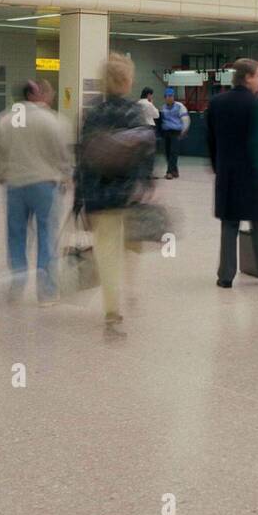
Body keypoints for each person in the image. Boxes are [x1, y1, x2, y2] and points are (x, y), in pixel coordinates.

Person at [75, 55, 154, 333]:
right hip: (128, 195)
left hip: (99, 196)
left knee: (106, 252)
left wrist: (79, 199)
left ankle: (112, 310)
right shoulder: (135, 112)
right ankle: (129, 287)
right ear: (128, 80)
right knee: (132, 244)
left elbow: (82, 157)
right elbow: (146, 152)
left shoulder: (93, 113)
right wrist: (147, 185)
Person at [0, 79, 73, 305]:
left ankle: (17, 285)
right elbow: (62, 151)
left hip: (15, 186)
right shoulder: (50, 120)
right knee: (47, 237)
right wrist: (66, 174)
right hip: (45, 186)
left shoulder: (5, 120)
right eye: (48, 91)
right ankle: (46, 293)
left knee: (16, 237)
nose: (50, 95)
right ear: (35, 93)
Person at [207, 59, 258, 289]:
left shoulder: (216, 103)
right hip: (255, 175)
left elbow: (210, 140)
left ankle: (225, 275)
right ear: (247, 77)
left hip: (228, 174)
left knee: (229, 225)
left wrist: (219, 166)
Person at [158, 87, 189, 179]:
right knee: (167, 152)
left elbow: (185, 119)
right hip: (166, 132)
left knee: (173, 152)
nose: (170, 98)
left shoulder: (179, 106)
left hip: (176, 132)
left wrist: (184, 130)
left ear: (173, 97)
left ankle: (169, 172)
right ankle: (175, 170)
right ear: (165, 97)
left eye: (171, 96)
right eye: (168, 96)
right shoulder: (163, 108)